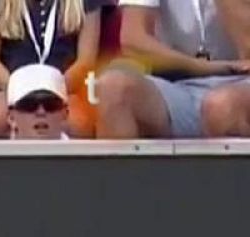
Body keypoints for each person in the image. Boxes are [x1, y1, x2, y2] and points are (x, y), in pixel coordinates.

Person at [93, 0, 250, 137]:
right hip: (179, 84)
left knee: (220, 107)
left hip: (240, 82)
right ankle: (126, 172)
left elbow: (247, 50)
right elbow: (133, 41)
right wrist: (204, 67)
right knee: (113, 88)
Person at [0, 0, 102, 137]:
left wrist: (56, 91)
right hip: (11, 90)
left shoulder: (86, 3)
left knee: (79, 122)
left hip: (64, 91)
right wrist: (18, 91)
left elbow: (86, 61)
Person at [5, 61, 73, 137]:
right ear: (11, 117)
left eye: (50, 105)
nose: (41, 112)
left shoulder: (83, 149)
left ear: (65, 114)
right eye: (29, 105)